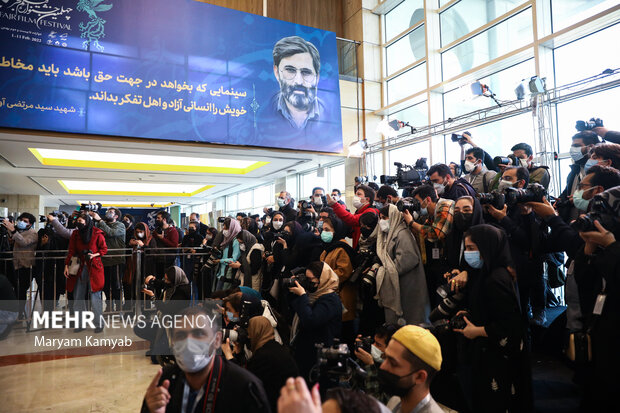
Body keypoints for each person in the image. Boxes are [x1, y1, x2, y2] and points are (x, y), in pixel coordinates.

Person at [453, 224, 532, 413]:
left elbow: (510, 326)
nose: (468, 254)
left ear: (488, 247)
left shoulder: (496, 279)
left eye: (472, 248)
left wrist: (477, 331)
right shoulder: (487, 272)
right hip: (489, 352)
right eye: (467, 248)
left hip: (498, 358)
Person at [141, 305, 270, 413]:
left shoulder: (244, 388)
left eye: (198, 333)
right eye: (181, 335)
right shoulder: (166, 381)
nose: (189, 342)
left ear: (217, 340)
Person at [572, 186, 620, 411]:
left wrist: (611, 245)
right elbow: (583, 281)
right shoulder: (604, 250)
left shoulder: (612, 249)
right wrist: (589, 248)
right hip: (601, 334)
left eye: (604, 216)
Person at [257, 36, 340, 152]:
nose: (298, 81)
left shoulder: (330, 117)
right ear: (277, 73)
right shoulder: (260, 115)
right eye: (290, 70)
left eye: (306, 72)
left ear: (317, 77)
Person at [223, 315, 298, 412]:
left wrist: (229, 356)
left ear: (257, 332)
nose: (248, 336)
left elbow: (244, 384)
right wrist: (239, 352)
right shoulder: (273, 347)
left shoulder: (265, 356)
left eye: (249, 332)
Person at [376, 204, 430, 325]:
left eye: (385, 217)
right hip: (400, 283)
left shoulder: (402, 233)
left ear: (393, 217)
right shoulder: (391, 233)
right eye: (380, 218)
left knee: (411, 322)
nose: (382, 221)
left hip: (408, 285)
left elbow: (409, 258)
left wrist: (385, 270)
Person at [288, 261, 342, 381]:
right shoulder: (313, 295)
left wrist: (302, 296)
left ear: (322, 279)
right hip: (307, 351)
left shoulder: (330, 300)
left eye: (310, 280)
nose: (308, 283)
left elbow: (310, 320)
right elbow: (298, 310)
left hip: (320, 356)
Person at [378, 325, 444, 413]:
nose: (382, 366)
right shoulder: (395, 401)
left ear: (420, 377)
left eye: (393, 364)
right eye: (385, 357)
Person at [64, 213, 107, 333]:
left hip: (94, 267)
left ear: (87, 221)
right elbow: (71, 250)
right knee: (78, 297)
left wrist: (93, 255)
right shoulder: (75, 234)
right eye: (78, 220)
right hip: (79, 266)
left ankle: (99, 323)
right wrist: (66, 265)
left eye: (81, 220)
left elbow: (104, 249)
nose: (79, 223)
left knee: (95, 297)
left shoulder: (97, 233)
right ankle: (80, 323)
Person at [138, 266, 192, 362]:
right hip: (163, 322)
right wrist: (151, 281)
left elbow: (167, 309)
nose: (165, 281)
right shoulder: (173, 284)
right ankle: (157, 343)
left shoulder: (182, 291)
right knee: (139, 328)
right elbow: (160, 283)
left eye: (167, 279)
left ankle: (166, 348)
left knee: (156, 359)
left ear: (174, 279)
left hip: (173, 326)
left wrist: (153, 297)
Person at [319, 217, 356, 345]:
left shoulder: (342, 247)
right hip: (330, 294)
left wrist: (322, 277)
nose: (324, 232)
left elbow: (344, 272)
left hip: (342, 296)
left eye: (327, 230)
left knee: (344, 335)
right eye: (323, 229)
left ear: (336, 231)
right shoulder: (327, 249)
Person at [557, 130, 601, 222]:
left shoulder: (602, 174)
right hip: (572, 226)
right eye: (572, 147)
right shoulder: (573, 172)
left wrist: (584, 200)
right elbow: (565, 194)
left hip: (593, 226)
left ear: (590, 147)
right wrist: (560, 202)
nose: (572, 151)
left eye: (577, 146)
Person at [353, 323, 399, 405]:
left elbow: (376, 404)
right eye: (373, 342)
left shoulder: (397, 374)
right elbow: (353, 386)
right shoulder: (376, 361)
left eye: (378, 345)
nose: (373, 346)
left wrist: (370, 365)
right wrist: (360, 355)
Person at [91, 207, 126, 312]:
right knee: (105, 284)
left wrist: (100, 221)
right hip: (104, 259)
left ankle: (118, 306)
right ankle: (109, 305)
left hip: (116, 260)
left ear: (116, 216)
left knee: (116, 285)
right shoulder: (100, 225)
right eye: (107, 211)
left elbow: (111, 233)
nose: (107, 213)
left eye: (111, 212)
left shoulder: (120, 225)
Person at [3, 212, 37, 317]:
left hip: (25, 266)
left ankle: (19, 313)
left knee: (21, 290)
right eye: (21, 220)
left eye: (25, 221)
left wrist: (13, 230)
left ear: (30, 224)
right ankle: (12, 311)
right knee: (13, 290)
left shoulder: (33, 233)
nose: (22, 222)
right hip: (14, 265)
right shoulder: (18, 231)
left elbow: (24, 242)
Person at [327, 184, 379, 249]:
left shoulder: (371, 212)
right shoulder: (358, 212)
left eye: (359, 194)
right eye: (355, 194)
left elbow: (352, 220)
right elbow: (352, 233)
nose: (355, 196)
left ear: (367, 199)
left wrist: (335, 205)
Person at [214, 218, 242, 291]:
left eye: (226, 228)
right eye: (223, 228)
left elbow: (234, 259)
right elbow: (225, 254)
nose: (224, 230)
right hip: (222, 273)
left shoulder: (236, 241)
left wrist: (220, 261)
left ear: (232, 228)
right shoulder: (227, 240)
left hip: (228, 274)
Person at [153, 211, 179, 279]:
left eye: (159, 218)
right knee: (158, 278)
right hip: (158, 258)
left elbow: (174, 245)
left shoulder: (173, 231)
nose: (157, 220)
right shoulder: (157, 230)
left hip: (168, 259)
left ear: (164, 219)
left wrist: (162, 239)